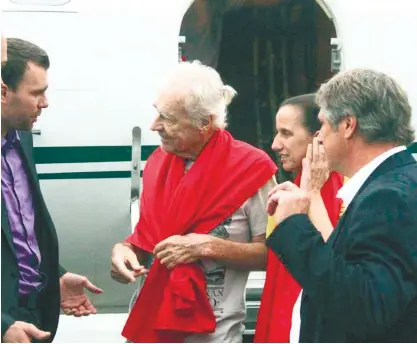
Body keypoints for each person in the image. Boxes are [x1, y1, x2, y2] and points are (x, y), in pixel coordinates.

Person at [110, 60, 277, 343]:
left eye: (169, 118)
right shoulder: (157, 164)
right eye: (157, 113)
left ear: (205, 123)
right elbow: (146, 240)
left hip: (215, 332)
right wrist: (124, 252)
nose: (155, 126)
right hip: (150, 323)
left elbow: (273, 255)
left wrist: (207, 246)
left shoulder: (252, 169)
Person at [266, 68, 417, 342]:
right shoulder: (398, 182)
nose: (319, 137)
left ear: (348, 125)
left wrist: (293, 226)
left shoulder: (386, 197)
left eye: (322, 125)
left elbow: (367, 307)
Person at [1, 37, 103, 344]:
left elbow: (19, 233)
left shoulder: (21, 141)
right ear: (3, 92)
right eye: (36, 93)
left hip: (31, 320)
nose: (44, 103)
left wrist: (53, 277)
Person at [254, 94, 344, 343]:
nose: (275, 144)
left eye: (286, 133)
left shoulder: (344, 193)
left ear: (318, 137)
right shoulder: (290, 191)